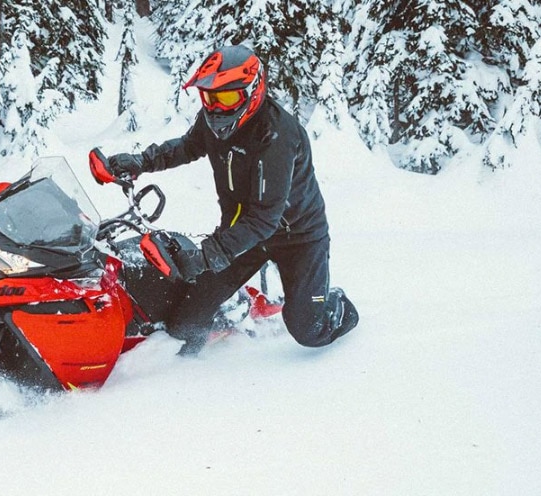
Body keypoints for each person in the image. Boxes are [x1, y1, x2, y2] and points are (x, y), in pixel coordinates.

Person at [98, 44, 358, 354]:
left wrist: (207, 255)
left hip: (297, 238)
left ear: (252, 91)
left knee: (309, 329)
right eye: (211, 98)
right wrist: (142, 161)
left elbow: (264, 219)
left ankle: (334, 304)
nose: (218, 108)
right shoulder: (213, 119)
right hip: (240, 234)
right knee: (186, 322)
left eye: (228, 97)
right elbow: (187, 146)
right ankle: (192, 358)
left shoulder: (276, 137)